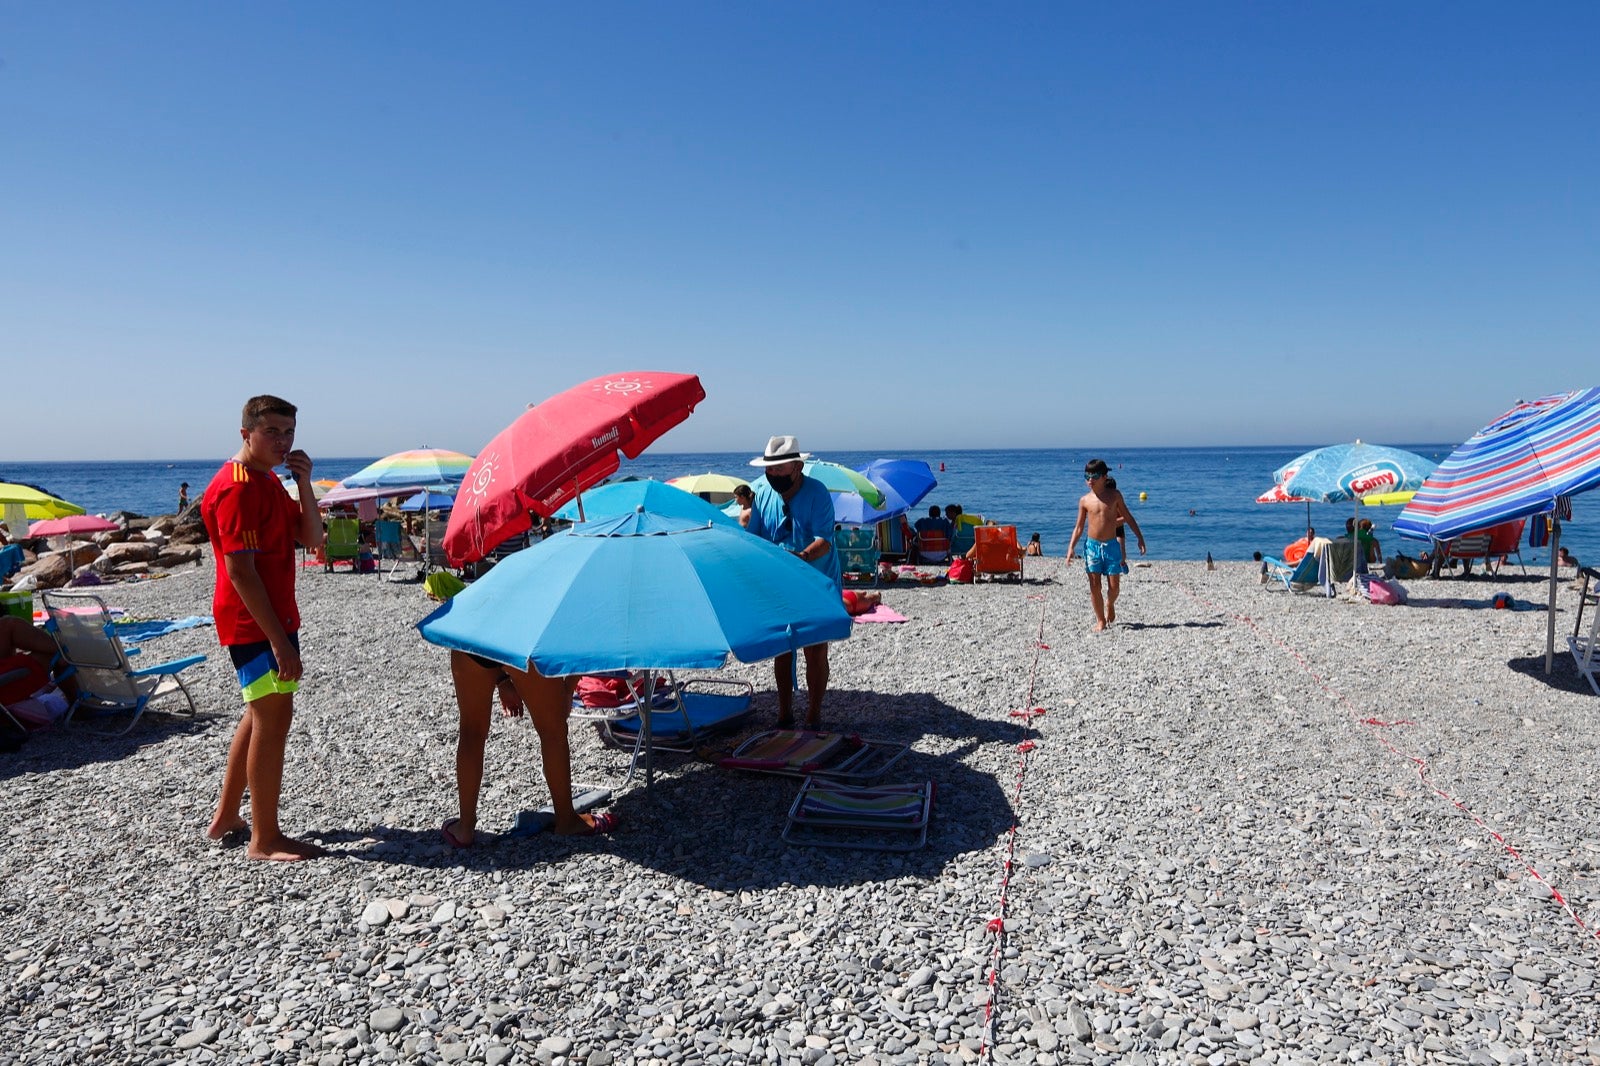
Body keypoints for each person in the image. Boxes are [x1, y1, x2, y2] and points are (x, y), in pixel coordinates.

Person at [201, 395, 326, 862]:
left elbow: (311, 538)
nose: (282, 441)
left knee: (258, 714)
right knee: (274, 720)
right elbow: (241, 572)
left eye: (289, 432)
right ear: (245, 433)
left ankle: (228, 816)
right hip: (253, 623)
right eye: (272, 432)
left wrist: (305, 482)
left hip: (270, 618)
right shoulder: (237, 487)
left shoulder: (268, 479)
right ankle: (265, 838)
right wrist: (278, 641)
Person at [440, 651, 616, 847]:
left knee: (471, 732)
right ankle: (567, 820)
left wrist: (503, 681)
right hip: (524, 643)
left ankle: (464, 828)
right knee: (553, 732)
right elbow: (581, 641)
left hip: (475, 638)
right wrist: (567, 689)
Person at [745, 435, 842, 729]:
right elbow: (755, 538)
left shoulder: (818, 493)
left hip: (817, 578)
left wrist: (800, 558)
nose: (773, 474)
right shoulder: (761, 492)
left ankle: (814, 713)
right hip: (779, 581)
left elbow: (824, 540)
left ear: (797, 467)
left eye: (779, 469)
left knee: (815, 648)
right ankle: (784, 713)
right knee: (783, 647)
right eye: (769, 469)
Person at [1066, 458, 1147, 632]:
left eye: (1094, 475)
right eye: (1087, 476)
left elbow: (1128, 517)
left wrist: (1139, 537)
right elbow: (1079, 526)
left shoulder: (1115, 496)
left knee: (1114, 587)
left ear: (1104, 476)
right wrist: (1071, 547)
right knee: (1094, 586)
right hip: (1092, 547)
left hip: (1111, 546)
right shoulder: (1084, 500)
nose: (1090, 480)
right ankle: (1100, 620)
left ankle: (1110, 603)